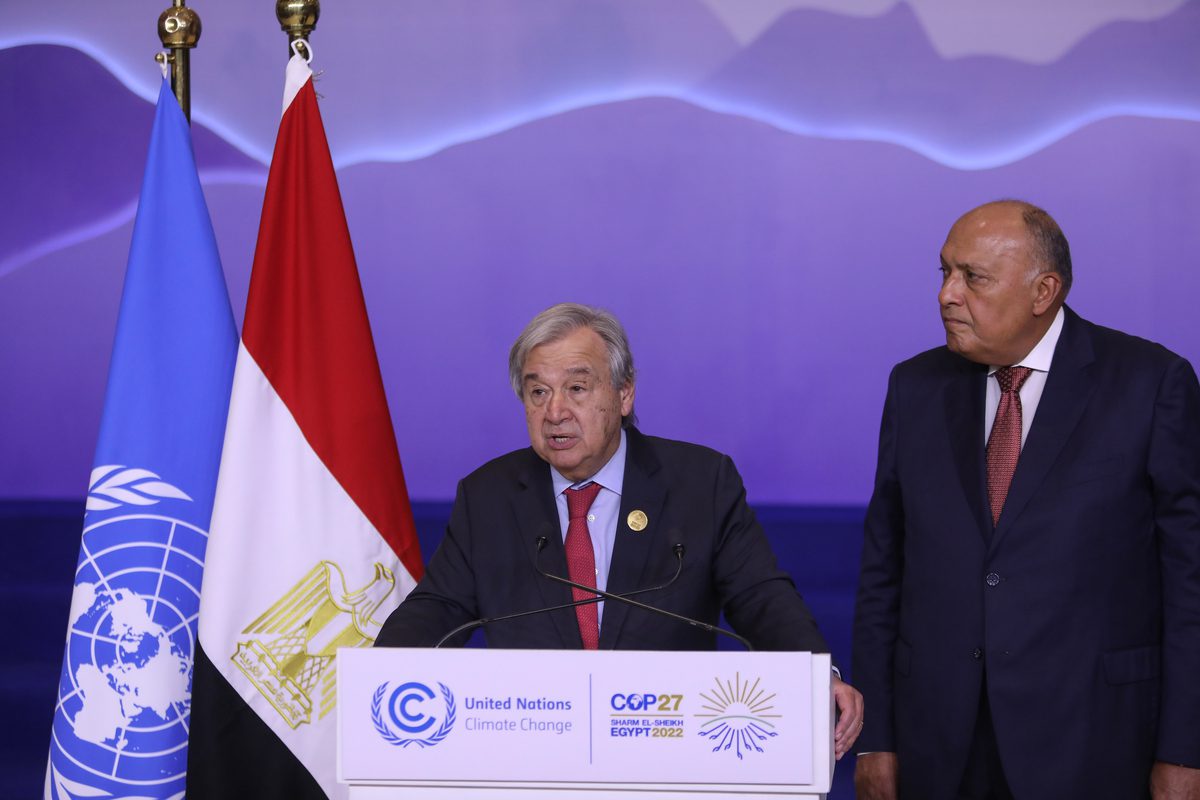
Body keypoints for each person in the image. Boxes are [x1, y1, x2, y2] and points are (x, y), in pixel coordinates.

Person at [376, 301, 864, 758]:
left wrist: (816, 674)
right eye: (538, 391)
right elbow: (439, 609)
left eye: (577, 388)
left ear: (624, 393)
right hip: (534, 755)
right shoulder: (488, 497)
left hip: (670, 753)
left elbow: (762, 598)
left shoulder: (699, 484)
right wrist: (378, 677)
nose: (555, 412)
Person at [852, 200, 1200, 799]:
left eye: (973, 277)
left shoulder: (1150, 384)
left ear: (1045, 291)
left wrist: (1185, 751)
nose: (947, 296)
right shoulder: (914, 387)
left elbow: (1190, 584)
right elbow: (884, 573)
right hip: (939, 748)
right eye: (944, 273)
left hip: (1094, 743)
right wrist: (877, 738)